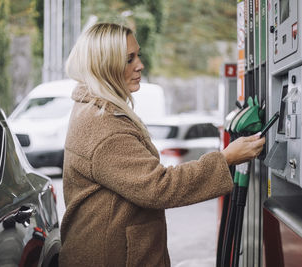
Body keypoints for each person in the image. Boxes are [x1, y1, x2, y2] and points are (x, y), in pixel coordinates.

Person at [59, 23, 265, 267]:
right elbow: (159, 187)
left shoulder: (91, 108)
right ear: (105, 65)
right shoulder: (104, 126)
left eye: (138, 55)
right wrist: (226, 159)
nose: (140, 65)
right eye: (128, 59)